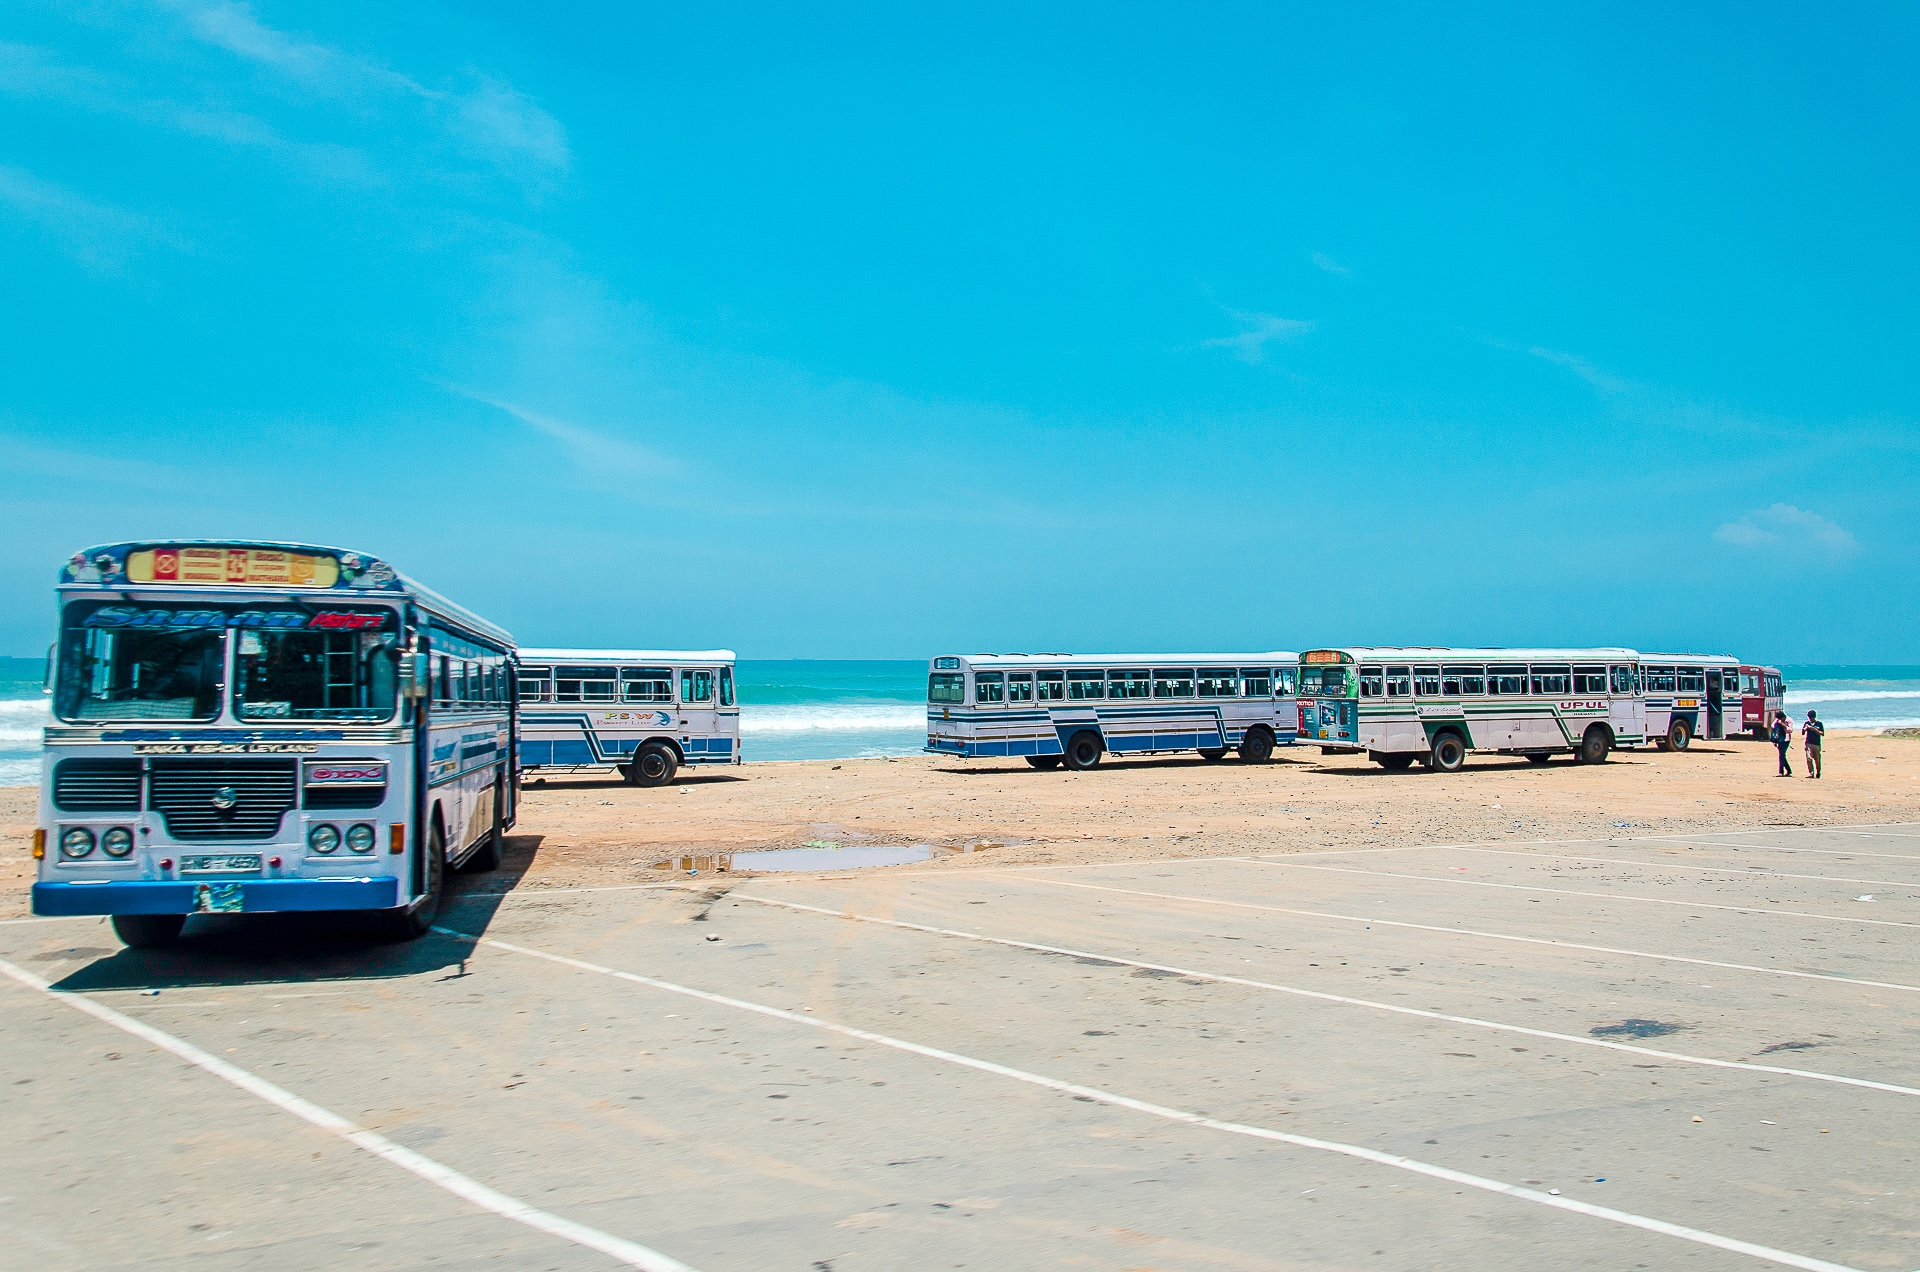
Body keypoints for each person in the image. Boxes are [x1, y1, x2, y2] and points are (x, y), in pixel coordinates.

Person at [1802, 709, 1824, 778]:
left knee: (1817, 759)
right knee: (1809, 758)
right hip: (1808, 743)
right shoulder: (1807, 723)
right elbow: (1803, 733)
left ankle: (1818, 772)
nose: (1810, 719)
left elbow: (1822, 733)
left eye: (1811, 717)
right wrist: (1805, 729)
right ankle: (1811, 773)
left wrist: (1815, 729)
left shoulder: (1819, 724)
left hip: (1816, 744)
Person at [1770, 709, 1793, 776]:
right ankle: (1788, 770)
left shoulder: (1789, 720)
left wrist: (1783, 725)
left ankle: (1781, 772)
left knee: (1782, 755)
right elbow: (1772, 726)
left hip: (1786, 739)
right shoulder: (1778, 720)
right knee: (1782, 755)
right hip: (1779, 739)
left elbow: (1790, 730)